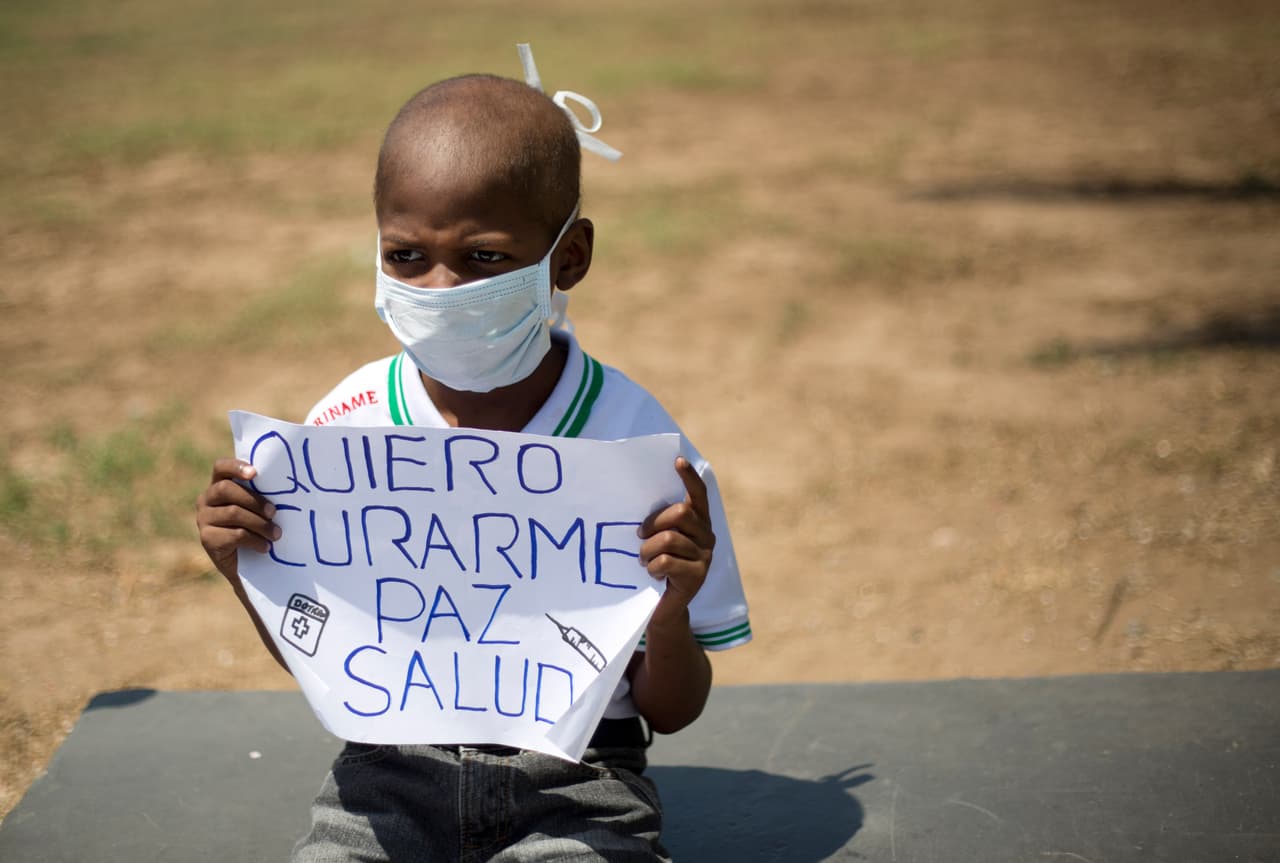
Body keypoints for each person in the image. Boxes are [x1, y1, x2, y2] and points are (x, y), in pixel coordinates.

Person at [195, 56, 750, 862]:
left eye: (484, 258)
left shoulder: (641, 449)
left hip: (579, 780)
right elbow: (325, 654)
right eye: (406, 256)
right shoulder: (342, 430)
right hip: (386, 776)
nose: (441, 285)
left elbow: (674, 709)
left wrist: (669, 604)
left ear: (569, 258)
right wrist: (243, 570)